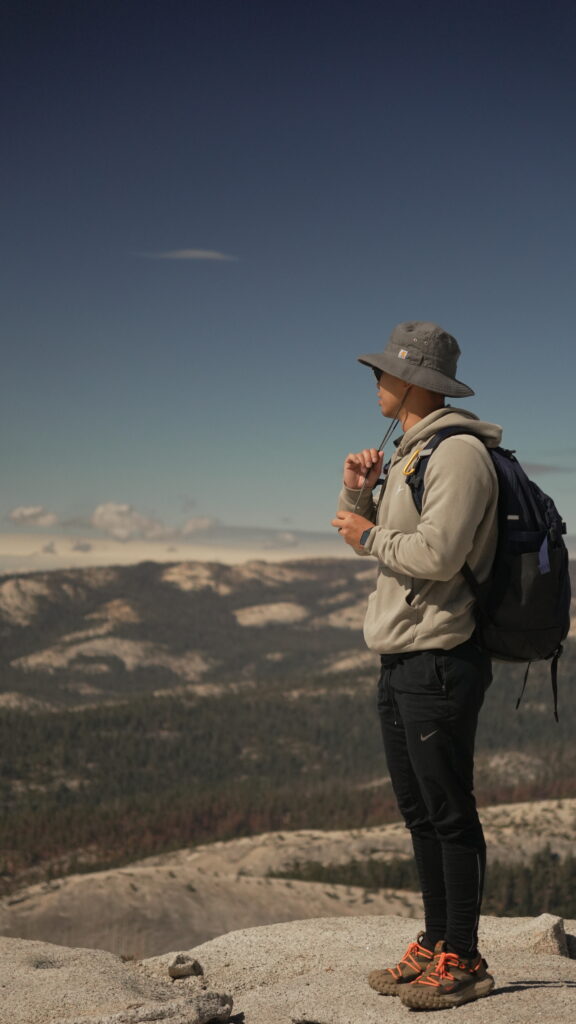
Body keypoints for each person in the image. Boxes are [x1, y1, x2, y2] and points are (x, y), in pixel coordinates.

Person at [331, 321, 501, 1011]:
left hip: (439, 658)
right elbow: (388, 547)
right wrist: (357, 496)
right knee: (422, 812)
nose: (375, 382)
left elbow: (436, 555)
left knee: (449, 810)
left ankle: (464, 957)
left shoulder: (458, 455)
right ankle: (435, 943)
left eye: (383, 373)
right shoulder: (409, 452)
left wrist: (369, 533)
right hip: (402, 657)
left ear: (415, 381)